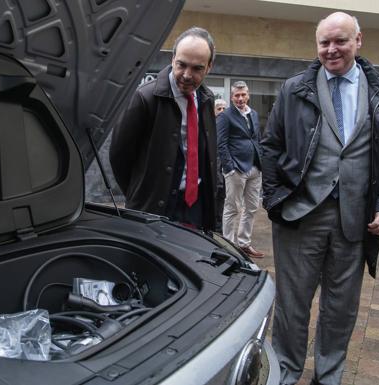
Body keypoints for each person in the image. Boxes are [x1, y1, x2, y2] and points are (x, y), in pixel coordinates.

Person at [261, 11, 379, 385]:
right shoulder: (294, 88)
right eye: (324, 42)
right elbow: (270, 146)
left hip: (356, 220)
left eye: (340, 40)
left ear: (359, 41)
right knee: (292, 308)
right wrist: (274, 198)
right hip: (300, 215)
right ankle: (286, 373)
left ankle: (327, 377)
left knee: (341, 310)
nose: (331, 49)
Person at [110, 27, 218, 231]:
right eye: (182, 65)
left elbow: (210, 154)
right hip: (157, 208)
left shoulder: (207, 99)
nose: (187, 75)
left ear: (209, 67)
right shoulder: (145, 98)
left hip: (198, 208)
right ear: (172, 59)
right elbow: (119, 157)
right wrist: (142, 195)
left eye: (197, 68)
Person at [217, 81, 264, 257]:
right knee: (232, 208)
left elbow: (256, 139)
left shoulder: (254, 114)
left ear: (248, 95)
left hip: (254, 167)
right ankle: (228, 246)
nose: (240, 98)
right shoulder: (225, 116)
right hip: (236, 169)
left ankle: (244, 243)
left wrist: (261, 162)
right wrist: (229, 168)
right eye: (237, 95)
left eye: (243, 94)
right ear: (232, 97)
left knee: (251, 208)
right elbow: (221, 144)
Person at [214, 98, 228, 232]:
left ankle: (220, 232)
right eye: (219, 108)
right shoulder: (209, 125)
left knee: (222, 205)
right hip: (213, 174)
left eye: (224, 109)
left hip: (225, 174)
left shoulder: (229, 126)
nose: (222, 111)